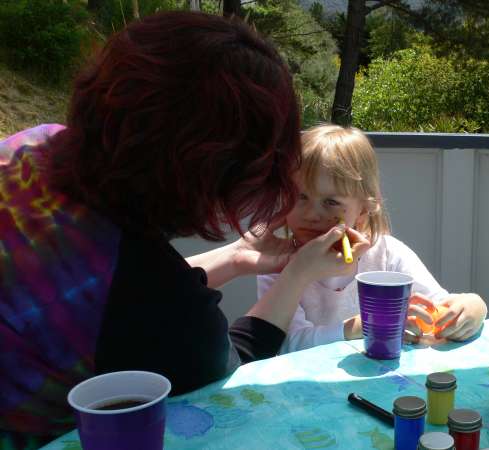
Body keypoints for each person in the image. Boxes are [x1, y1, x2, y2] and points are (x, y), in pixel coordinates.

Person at [0, 12, 368, 448]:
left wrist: (235, 257)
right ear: (215, 172)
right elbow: (226, 364)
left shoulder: (35, 143)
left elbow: (116, 289)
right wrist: (298, 274)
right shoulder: (156, 302)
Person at [256, 124, 488, 353]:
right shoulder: (275, 264)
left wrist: (474, 306)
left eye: (331, 202)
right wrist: (363, 326)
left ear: (364, 208)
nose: (311, 214)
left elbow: (439, 307)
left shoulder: (387, 254)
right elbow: (288, 344)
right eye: (300, 197)